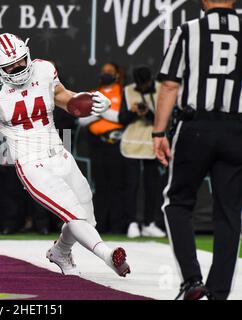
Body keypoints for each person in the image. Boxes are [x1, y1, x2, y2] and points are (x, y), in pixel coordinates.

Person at [0, 33, 130, 277]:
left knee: (85, 214)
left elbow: (66, 99)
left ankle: (60, 251)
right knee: (72, 211)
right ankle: (108, 255)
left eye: (20, 61)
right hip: (29, 160)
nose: (17, 68)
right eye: (10, 65)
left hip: (58, 152)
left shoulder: (44, 70)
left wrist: (91, 102)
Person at [154, 0, 242, 300]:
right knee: (229, 212)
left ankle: (192, 281)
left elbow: (169, 85)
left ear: (204, 1)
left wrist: (158, 132)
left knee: (177, 202)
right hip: (237, 129)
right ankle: (218, 293)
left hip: (196, 126)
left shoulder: (189, 29)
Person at [78, 62, 127, 234]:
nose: (106, 74)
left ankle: (118, 225)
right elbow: (82, 120)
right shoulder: (92, 94)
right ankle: (101, 225)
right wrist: (100, 112)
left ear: (117, 74)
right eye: (104, 71)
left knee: (117, 185)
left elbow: (123, 117)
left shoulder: (123, 93)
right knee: (100, 185)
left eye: (110, 71)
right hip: (96, 145)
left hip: (117, 144)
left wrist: (99, 111)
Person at [119, 66, 166, 239]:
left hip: (152, 144)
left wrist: (147, 114)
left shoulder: (161, 89)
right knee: (131, 185)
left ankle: (148, 223)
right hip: (131, 145)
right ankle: (132, 222)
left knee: (152, 186)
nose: (142, 88)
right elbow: (121, 119)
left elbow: (163, 119)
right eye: (139, 85)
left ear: (150, 81)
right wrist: (132, 112)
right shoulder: (128, 91)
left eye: (144, 85)